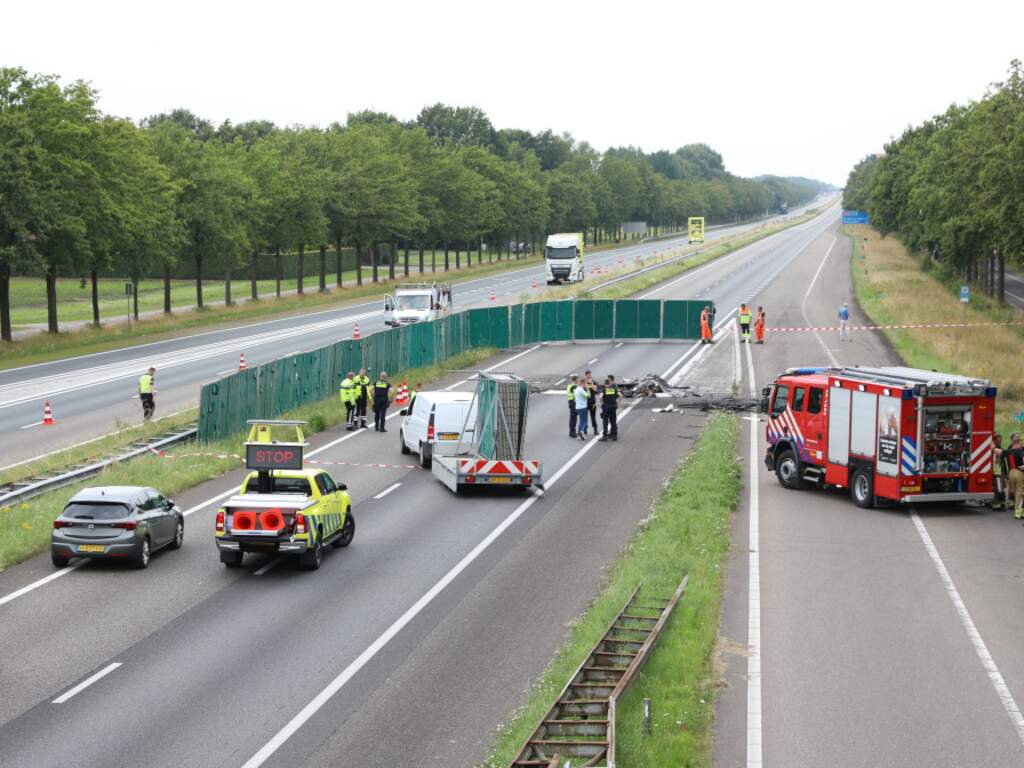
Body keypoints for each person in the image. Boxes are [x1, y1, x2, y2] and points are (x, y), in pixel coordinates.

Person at [1008, 433, 1024, 520]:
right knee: (1019, 493)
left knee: (1015, 492)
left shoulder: (1009, 449)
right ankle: (1018, 511)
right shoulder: (1020, 450)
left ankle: (1018, 509)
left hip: (1011, 472)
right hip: (1019, 472)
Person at [599, 375, 620, 442]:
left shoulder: (604, 389)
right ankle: (615, 436)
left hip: (606, 407)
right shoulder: (614, 388)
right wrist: (618, 403)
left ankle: (604, 436)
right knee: (613, 421)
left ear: (605, 384)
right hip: (613, 406)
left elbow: (600, 397)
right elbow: (620, 395)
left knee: (605, 422)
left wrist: (602, 404)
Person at [992, 433, 1007, 510]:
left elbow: (1003, 462)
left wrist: (1005, 474)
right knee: (996, 488)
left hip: (998, 472)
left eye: (999, 439)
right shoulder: (994, 449)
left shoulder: (999, 449)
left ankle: (1000, 504)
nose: (999, 441)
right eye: (997, 439)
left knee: (999, 488)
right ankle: (996, 504)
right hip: (996, 472)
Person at [574, 375, 590, 440]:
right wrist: (588, 389)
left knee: (581, 421)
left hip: (577, 407)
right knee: (585, 421)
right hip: (583, 407)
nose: (586, 384)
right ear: (582, 383)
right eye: (585, 383)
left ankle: (579, 434)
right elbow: (588, 396)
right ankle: (582, 431)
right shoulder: (581, 389)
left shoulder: (576, 389)